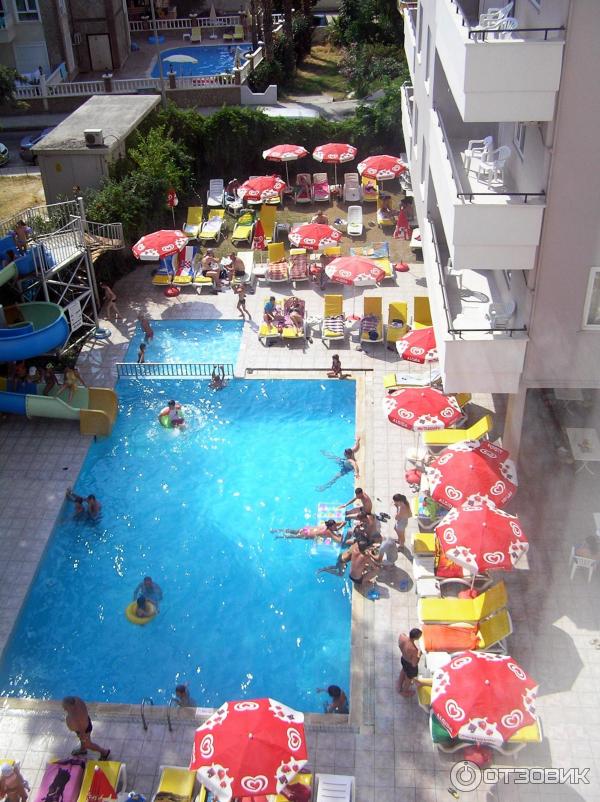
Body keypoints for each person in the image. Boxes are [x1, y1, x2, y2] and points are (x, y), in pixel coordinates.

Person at [397, 628, 422, 696]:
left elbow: (400, 645)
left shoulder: (402, 636)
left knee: (403, 670)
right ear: (416, 638)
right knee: (408, 679)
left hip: (403, 659)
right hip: (410, 665)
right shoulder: (414, 650)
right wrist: (419, 655)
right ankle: (404, 691)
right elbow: (414, 664)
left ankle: (399, 685)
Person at [271, 518, 345, 542]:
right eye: (334, 526)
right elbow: (339, 540)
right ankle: (279, 537)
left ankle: (275, 530)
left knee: (293, 531)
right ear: (331, 526)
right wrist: (340, 534)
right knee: (293, 536)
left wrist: (338, 528)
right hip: (306, 535)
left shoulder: (326, 524)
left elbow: (343, 522)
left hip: (306, 529)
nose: (335, 526)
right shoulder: (328, 532)